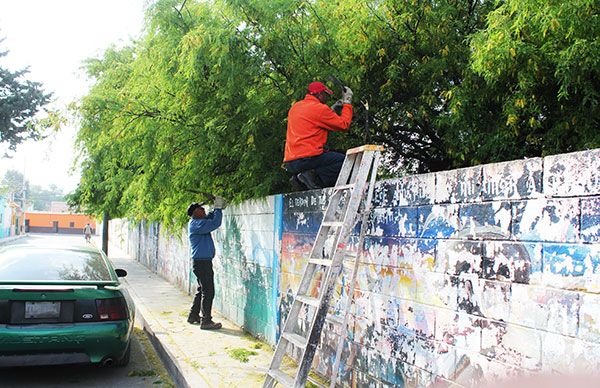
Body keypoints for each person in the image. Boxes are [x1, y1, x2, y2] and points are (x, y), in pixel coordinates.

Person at [283, 81, 353, 190]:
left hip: (291, 162)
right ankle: (313, 177)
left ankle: (300, 179)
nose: (328, 98)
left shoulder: (295, 107)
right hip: (308, 159)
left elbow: (313, 119)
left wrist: (332, 109)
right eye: (326, 95)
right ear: (320, 94)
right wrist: (347, 103)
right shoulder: (320, 109)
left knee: (334, 156)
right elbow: (344, 125)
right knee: (346, 162)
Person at [186, 197, 226, 330]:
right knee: (208, 291)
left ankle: (193, 315)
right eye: (200, 209)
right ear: (195, 213)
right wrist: (218, 209)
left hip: (201, 262)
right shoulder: (197, 224)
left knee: (202, 289)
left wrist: (216, 209)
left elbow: (210, 217)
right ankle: (206, 321)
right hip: (202, 263)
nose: (203, 210)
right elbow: (215, 223)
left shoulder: (199, 222)